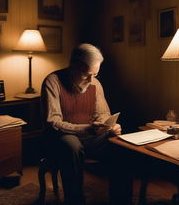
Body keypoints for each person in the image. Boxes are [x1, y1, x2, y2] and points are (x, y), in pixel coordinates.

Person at [41, 43, 130, 205]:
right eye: (86, 75)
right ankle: (75, 201)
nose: (91, 80)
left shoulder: (95, 83)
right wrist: (86, 129)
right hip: (61, 137)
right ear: (73, 66)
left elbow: (103, 113)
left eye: (95, 74)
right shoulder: (53, 82)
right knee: (72, 146)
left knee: (121, 147)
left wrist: (109, 126)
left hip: (90, 135)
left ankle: (121, 200)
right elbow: (53, 122)